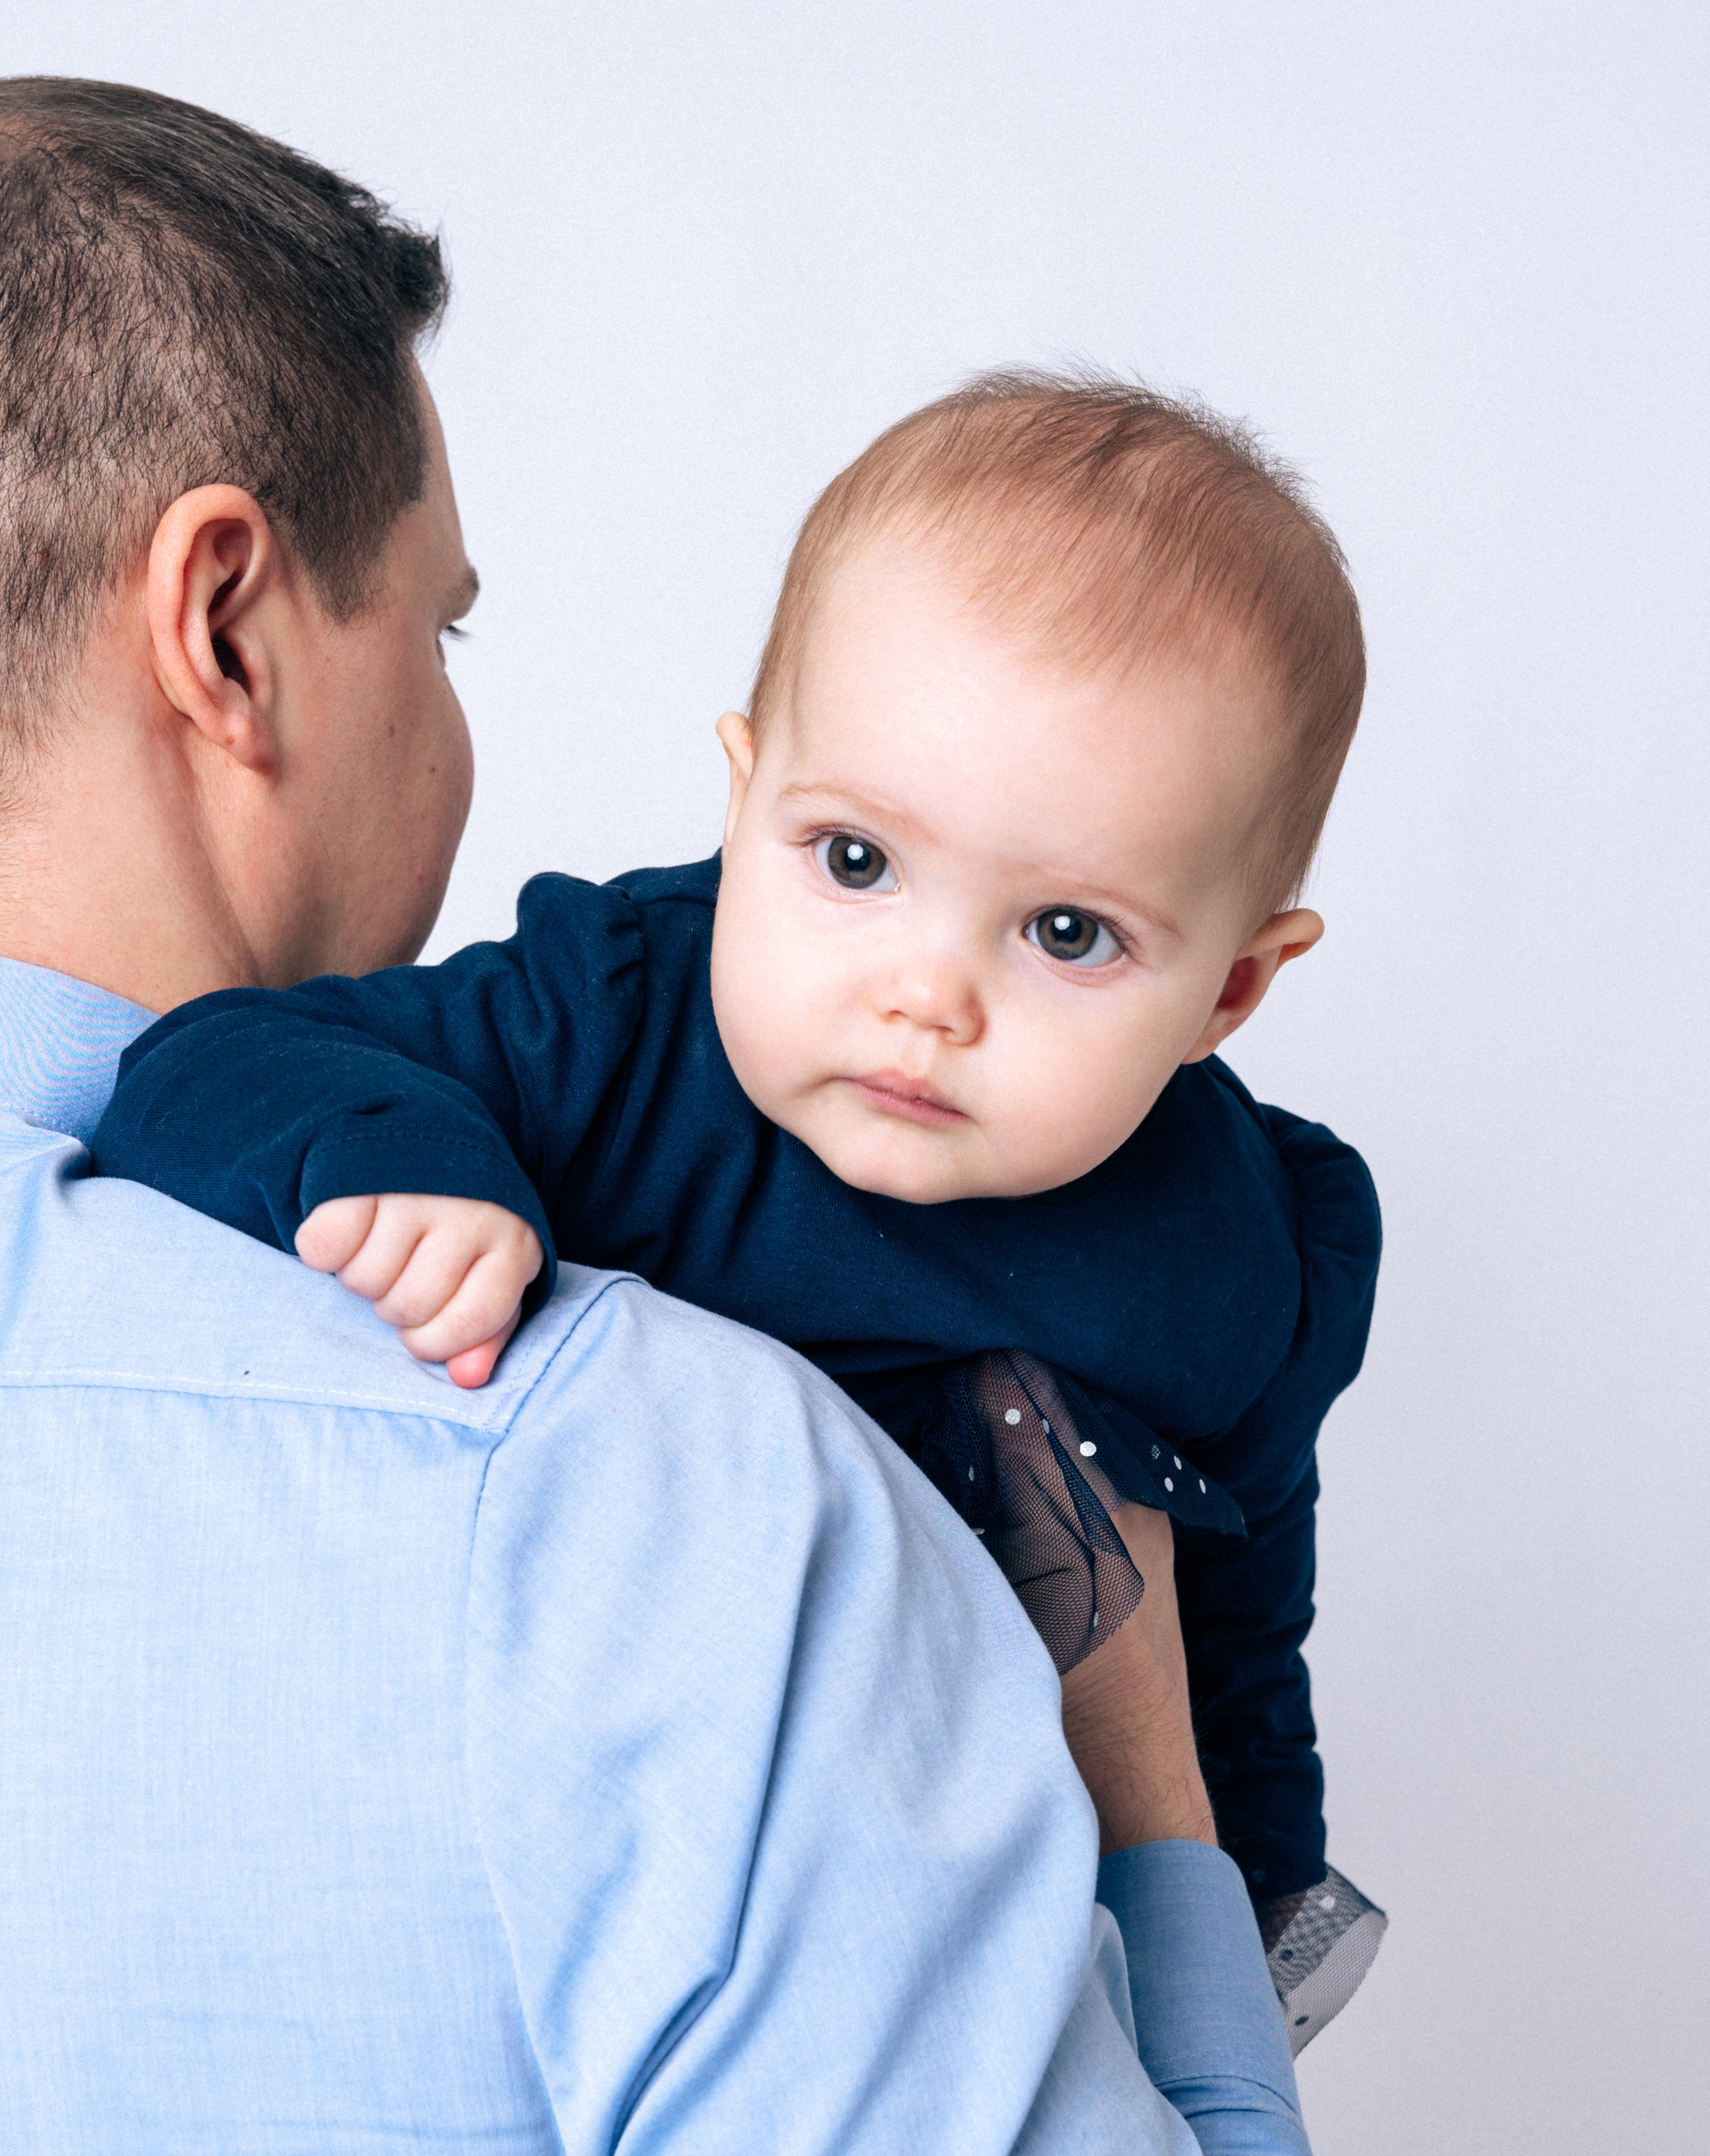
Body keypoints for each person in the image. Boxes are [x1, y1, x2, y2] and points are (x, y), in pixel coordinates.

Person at [0, 75, 1312, 2153]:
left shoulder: (1238, 1235)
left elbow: (1265, 1590)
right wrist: (1168, 1848)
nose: (924, 993)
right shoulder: (674, 1492)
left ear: (1234, 980)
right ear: (226, 627)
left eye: (1064, 926)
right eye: (444, 624)